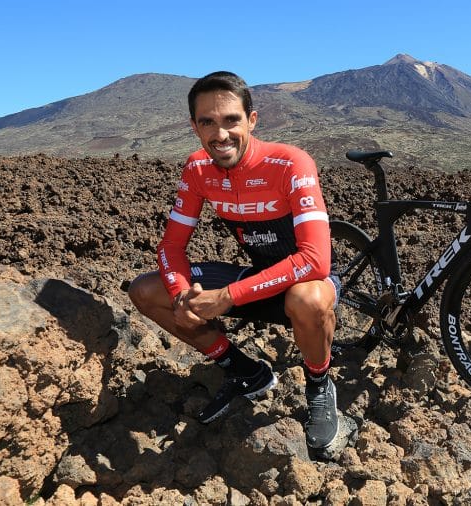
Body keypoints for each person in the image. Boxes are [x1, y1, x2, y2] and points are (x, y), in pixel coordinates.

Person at [128, 71, 340, 450]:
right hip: (256, 279)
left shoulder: (291, 164)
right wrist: (180, 296)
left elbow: (315, 261)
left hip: (302, 282)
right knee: (146, 290)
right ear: (194, 126)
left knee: (309, 298)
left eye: (231, 120)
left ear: (251, 120)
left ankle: (320, 383)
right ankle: (246, 372)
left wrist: (226, 297)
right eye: (208, 122)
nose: (220, 134)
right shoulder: (197, 169)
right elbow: (170, 248)